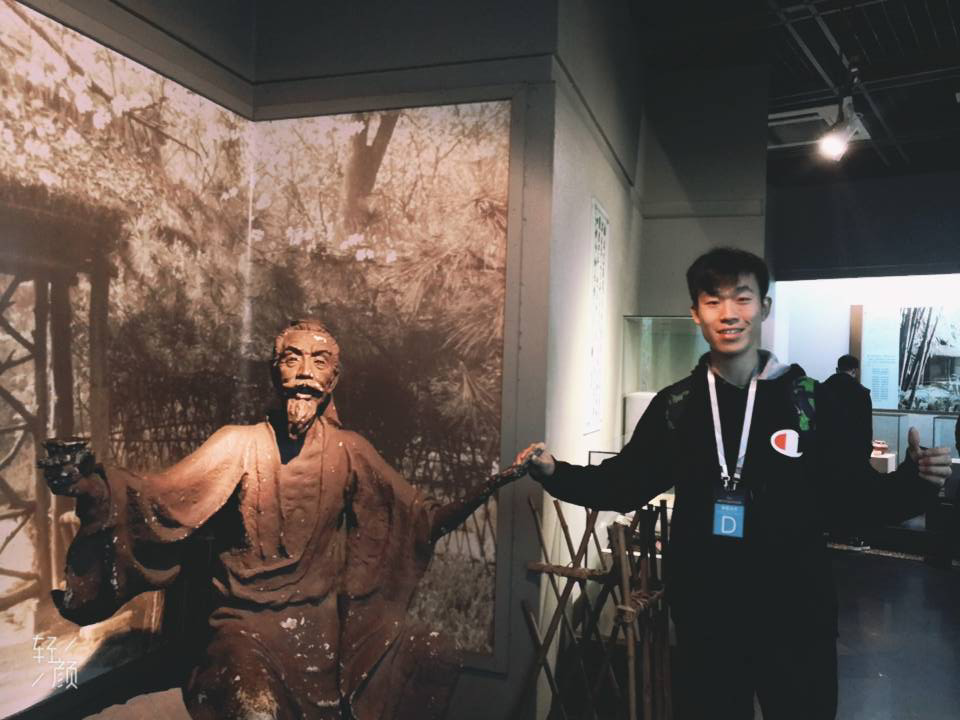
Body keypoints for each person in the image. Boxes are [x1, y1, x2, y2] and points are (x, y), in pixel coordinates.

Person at [516, 248, 952, 720]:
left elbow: (853, 498)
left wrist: (916, 481)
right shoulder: (678, 406)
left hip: (796, 616)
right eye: (713, 301)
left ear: (764, 307)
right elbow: (624, 483)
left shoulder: (808, 402)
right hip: (707, 616)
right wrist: (556, 472)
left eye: (742, 298)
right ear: (695, 313)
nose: (728, 313)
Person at [43, 320, 521, 720]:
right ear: (276, 372)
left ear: (333, 378)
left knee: (434, 653)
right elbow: (158, 500)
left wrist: (498, 481)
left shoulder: (348, 452)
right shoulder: (239, 444)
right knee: (257, 711)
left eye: (319, 362)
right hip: (246, 630)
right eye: (293, 359)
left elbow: (419, 518)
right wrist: (90, 486)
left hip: (327, 630)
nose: (305, 373)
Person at [820, 354, 874, 549]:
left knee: (827, 491)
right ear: (854, 371)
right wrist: (866, 452)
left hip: (826, 451)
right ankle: (852, 536)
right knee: (852, 495)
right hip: (853, 453)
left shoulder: (822, 389)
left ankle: (827, 531)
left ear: (837, 369)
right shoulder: (861, 393)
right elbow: (866, 428)